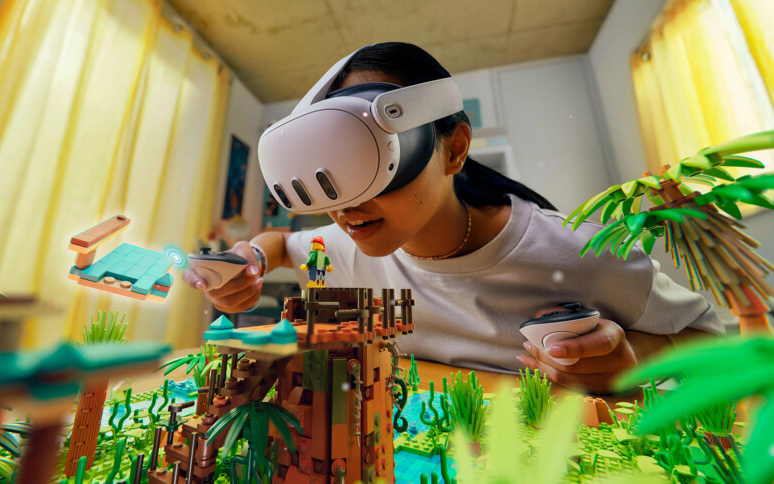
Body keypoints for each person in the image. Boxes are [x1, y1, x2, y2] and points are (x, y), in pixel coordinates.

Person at [183, 42, 724, 394]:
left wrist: (633, 357)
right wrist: (248, 260)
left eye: (370, 161)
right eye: (332, 179)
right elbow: (279, 244)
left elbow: (716, 343)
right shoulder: (349, 242)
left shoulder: (582, 251)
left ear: (453, 149)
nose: (346, 207)